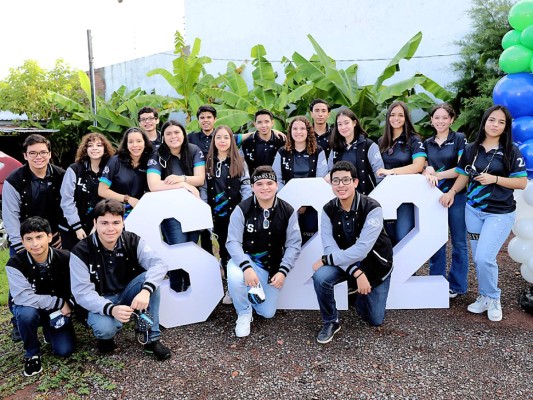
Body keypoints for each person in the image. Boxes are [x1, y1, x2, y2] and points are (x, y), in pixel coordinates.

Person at [441, 105, 527, 322]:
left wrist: (495, 179)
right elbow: (462, 174)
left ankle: (493, 297)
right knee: (481, 259)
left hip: (499, 214)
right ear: (485, 121)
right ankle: (483, 296)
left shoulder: (511, 151)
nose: (495, 125)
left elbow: (522, 182)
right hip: (473, 212)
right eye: (492, 120)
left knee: (483, 257)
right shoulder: (472, 149)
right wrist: (452, 192)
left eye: (501, 122)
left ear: (506, 126)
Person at [70, 199, 171, 360]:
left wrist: (145, 291)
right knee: (105, 329)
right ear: (95, 223)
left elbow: (158, 264)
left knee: (151, 281)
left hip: (127, 292)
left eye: (116, 222)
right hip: (101, 298)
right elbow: (82, 293)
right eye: (104, 223)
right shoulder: (80, 251)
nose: (111, 228)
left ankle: (151, 340)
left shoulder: (132, 240)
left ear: (123, 223)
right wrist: (111, 309)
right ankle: (105, 338)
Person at [312, 161, 393, 344]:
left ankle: (355, 293)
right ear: (331, 184)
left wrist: (326, 259)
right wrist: (356, 272)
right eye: (336, 181)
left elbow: (362, 250)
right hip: (349, 265)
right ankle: (330, 322)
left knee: (374, 320)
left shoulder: (373, 207)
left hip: (375, 265)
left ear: (355, 182)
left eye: (346, 180)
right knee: (321, 276)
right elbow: (330, 247)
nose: (341, 185)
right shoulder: (327, 209)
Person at [2, 134, 66, 342]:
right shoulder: (14, 181)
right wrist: (21, 245)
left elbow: (68, 206)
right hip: (24, 238)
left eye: (43, 152)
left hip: (53, 237)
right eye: (33, 153)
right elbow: (10, 215)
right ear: (25, 155)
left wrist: (61, 234)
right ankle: (19, 322)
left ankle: (57, 314)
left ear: (49, 154)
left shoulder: (61, 175)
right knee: (19, 281)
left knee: (57, 276)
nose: (38, 157)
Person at [226, 166, 301, 337]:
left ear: (276, 185)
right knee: (235, 275)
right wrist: (246, 267)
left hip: (272, 265)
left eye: (269, 183)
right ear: (252, 187)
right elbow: (232, 242)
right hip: (248, 260)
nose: (265, 187)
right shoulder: (242, 209)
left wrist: (283, 271)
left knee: (267, 313)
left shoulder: (288, 210)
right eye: (259, 184)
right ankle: (244, 312)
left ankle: (246, 293)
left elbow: (294, 244)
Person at [6, 217, 75, 376]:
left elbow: (78, 287)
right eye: (29, 239)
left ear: (50, 236)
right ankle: (32, 353)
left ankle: (48, 330)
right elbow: (23, 297)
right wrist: (59, 302)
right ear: (22, 241)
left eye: (39, 237)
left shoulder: (66, 257)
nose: (35, 244)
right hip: (34, 307)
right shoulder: (14, 264)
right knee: (25, 313)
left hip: (55, 311)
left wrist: (69, 303)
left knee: (64, 350)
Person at [147, 120, 206, 293]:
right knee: (177, 251)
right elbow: (153, 185)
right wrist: (183, 186)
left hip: (193, 210)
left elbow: (200, 178)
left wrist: (182, 179)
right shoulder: (157, 155)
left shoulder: (194, 150)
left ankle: (190, 291)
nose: (173, 136)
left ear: (183, 134)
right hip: (170, 213)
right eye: (169, 134)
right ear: (163, 137)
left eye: (177, 132)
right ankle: (176, 290)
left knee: (191, 250)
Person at [423, 104, 469, 298]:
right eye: (436, 117)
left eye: (444, 118)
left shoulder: (459, 139)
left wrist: (439, 175)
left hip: (456, 195)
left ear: (452, 119)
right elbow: (424, 166)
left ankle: (457, 285)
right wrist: (427, 169)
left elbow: (462, 168)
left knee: (459, 242)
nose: (440, 121)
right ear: (431, 120)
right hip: (434, 198)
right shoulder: (426, 143)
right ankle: (436, 280)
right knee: (436, 241)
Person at [205, 125, 252, 304]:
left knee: (239, 248)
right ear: (214, 140)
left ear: (231, 140)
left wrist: (244, 209)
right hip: (217, 215)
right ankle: (230, 289)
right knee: (224, 251)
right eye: (219, 137)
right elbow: (203, 188)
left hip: (237, 214)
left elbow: (246, 186)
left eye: (226, 137)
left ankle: (241, 285)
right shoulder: (208, 161)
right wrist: (204, 209)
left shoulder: (239, 160)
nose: (222, 141)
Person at [376, 101, 427, 245]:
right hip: (386, 195)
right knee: (388, 240)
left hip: (407, 197)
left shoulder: (413, 139)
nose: (396, 118)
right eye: (392, 115)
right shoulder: (381, 141)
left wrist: (391, 172)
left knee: (403, 237)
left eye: (400, 115)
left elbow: (418, 166)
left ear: (406, 118)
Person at [272, 116, 328, 244]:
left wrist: (304, 202)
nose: (298, 132)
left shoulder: (318, 151)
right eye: (295, 128)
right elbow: (277, 179)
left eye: (302, 128)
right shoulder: (282, 152)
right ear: (290, 132)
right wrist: (293, 200)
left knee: (311, 239)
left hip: (313, 205)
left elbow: (320, 179)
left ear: (308, 131)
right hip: (288, 204)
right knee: (290, 238)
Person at [60, 133, 115, 250]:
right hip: (73, 228)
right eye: (90, 145)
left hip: (100, 228)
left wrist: (99, 226)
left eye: (99, 145)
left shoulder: (110, 170)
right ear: (86, 149)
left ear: (105, 149)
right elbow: (66, 200)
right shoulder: (74, 169)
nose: (95, 148)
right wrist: (77, 227)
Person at [98, 127, 153, 219]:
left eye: (139, 141)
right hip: (115, 211)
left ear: (145, 143)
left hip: (139, 210)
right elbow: (102, 190)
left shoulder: (150, 162)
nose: (135, 145)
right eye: (130, 142)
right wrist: (128, 199)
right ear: (126, 144)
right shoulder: (115, 161)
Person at [327, 109, 383, 195]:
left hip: (367, 198)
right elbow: (331, 174)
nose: (343, 127)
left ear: (354, 123)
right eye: (340, 124)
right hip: (342, 199)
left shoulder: (369, 145)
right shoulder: (335, 149)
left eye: (346, 123)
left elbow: (379, 174)